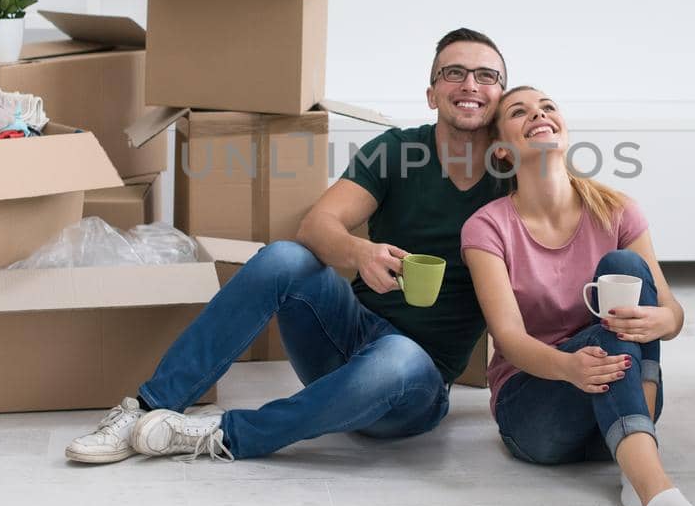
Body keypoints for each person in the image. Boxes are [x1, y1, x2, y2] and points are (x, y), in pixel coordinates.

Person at [65, 28, 510, 464]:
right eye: (454, 72)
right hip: (348, 336)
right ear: (432, 94)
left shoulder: (516, 178)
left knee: (398, 356)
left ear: (501, 96)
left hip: (416, 381)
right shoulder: (395, 151)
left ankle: (225, 434)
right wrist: (360, 253)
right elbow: (317, 225)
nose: (470, 84)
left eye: (486, 76)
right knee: (284, 257)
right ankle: (148, 407)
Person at [461, 86, 695, 506]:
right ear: (502, 150)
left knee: (626, 269)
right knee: (607, 334)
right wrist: (569, 366)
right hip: (538, 414)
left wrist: (659, 320)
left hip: (617, 399)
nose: (539, 114)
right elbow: (507, 339)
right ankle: (660, 496)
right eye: (519, 112)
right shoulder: (488, 226)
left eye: (547, 107)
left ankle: (639, 472)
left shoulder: (617, 209)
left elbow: (673, 313)